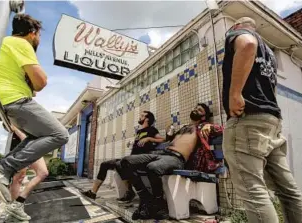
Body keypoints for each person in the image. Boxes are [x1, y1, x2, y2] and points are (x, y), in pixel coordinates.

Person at [222, 17, 302, 223]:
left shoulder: (238, 35)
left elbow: (247, 44)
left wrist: (235, 93)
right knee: (288, 190)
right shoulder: (269, 54)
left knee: (253, 190)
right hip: (271, 121)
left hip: (248, 119)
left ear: (237, 27)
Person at [0, 14, 69, 206]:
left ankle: (1, 167)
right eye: (39, 35)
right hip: (13, 100)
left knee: (37, 136)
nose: (38, 39)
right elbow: (41, 82)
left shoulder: (2, 44)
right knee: (60, 134)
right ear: (33, 33)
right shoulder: (21, 43)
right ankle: (4, 168)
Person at [120, 103, 223, 220]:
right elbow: (171, 141)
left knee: (152, 167)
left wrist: (209, 126)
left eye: (199, 110)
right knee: (125, 162)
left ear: (204, 116)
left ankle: (158, 204)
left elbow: (222, 129)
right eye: (195, 108)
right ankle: (147, 200)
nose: (195, 110)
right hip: (162, 154)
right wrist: (170, 134)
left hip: (176, 158)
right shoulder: (184, 127)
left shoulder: (202, 126)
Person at [82, 111, 164, 203]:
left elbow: (162, 139)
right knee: (104, 164)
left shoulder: (152, 130)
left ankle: (130, 192)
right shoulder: (139, 131)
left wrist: (149, 138)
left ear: (147, 119)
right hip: (130, 159)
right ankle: (93, 192)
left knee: (119, 164)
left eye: (142, 116)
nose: (140, 117)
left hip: (140, 160)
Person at [5, 125, 48, 221]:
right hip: (22, 141)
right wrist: (16, 129)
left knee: (43, 173)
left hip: (33, 142)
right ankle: (15, 210)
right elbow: (8, 125)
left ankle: (16, 206)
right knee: (19, 177)